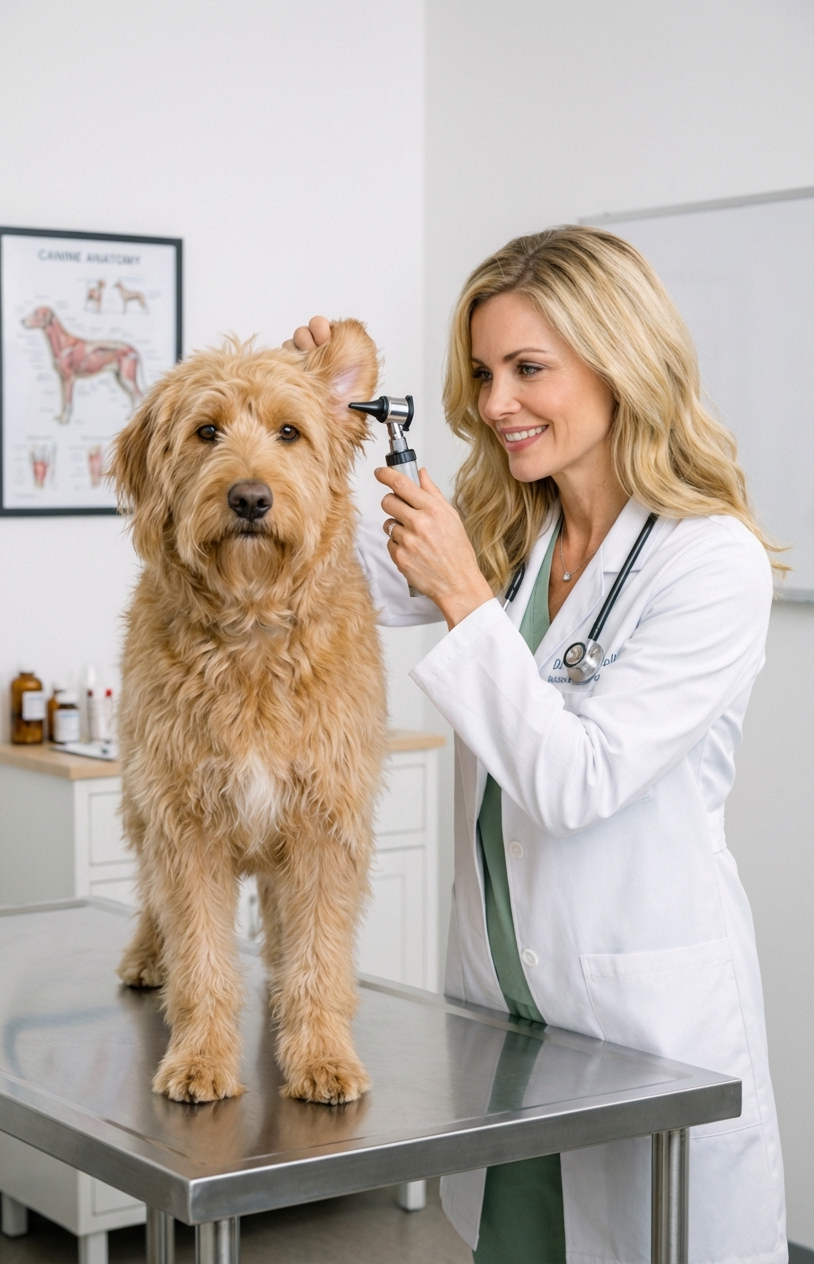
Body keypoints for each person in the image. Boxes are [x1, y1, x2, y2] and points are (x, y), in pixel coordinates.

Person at [289, 226, 787, 1264]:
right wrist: (327, 430)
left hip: (640, 1029)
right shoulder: (511, 527)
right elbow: (327, 576)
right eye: (479, 373)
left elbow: (576, 781)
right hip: (506, 1023)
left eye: (527, 369)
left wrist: (466, 596)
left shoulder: (709, 563)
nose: (493, 403)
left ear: (618, 362)